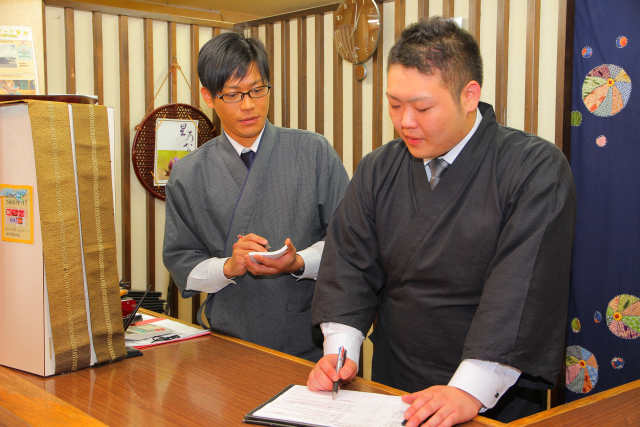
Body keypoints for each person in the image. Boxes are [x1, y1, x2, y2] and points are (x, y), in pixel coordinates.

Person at [308, 17, 576, 427]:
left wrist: (468, 390)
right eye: (394, 105)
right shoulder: (378, 168)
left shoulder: (533, 167)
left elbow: (522, 289)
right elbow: (348, 266)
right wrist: (339, 353)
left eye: (422, 108)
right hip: (395, 385)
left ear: (469, 96)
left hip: (490, 394)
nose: (405, 122)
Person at [163, 31, 349, 362]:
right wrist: (229, 266)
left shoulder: (313, 152)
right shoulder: (189, 174)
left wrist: (298, 261)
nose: (249, 105)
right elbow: (182, 263)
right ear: (208, 96)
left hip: (308, 344)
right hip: (227, 343)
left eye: (257, 90)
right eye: (233, 94)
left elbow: (349, 244)